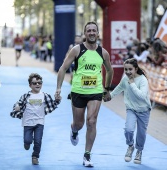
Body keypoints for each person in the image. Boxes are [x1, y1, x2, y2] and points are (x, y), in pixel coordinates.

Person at [54, 21, 114, 167]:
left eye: (94, 30)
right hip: (78, 91)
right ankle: (74, 130)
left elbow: (110, 70)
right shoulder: (76, 50)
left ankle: (87, 155)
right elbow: (62, 69)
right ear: (85, 34)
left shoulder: (103, 52)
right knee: (79, 124)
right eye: (89, 31)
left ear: (98, 33)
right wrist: (58, 88)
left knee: (92, 121)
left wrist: (106, 89)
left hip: (95, 92)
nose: (92, 33)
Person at [10, 73, 61, 165]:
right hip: (28, 123)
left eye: (39, 83)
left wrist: (57, 99)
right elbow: (19, 103)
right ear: (30, 85)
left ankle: (35, 156)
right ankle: (27, 142)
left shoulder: (45, 95)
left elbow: (53, 104)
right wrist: (17, 106)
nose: (37, 84)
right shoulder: (26, 96)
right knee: (27, 141)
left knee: (38, 141)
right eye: (34, 83)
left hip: (39, 122)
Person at [109, 58, 151, 164]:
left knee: (141, 133)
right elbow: (119, 87)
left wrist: (132, 84)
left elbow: (142, 96)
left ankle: (139, 151)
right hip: (131, 109)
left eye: (130, 69)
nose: (127, 72)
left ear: (136, 69)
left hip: (143, 110)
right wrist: (110, 96)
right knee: (128, 130)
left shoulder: (142, 80)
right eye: (126, 69)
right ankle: (130, 146)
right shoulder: (125, 78)